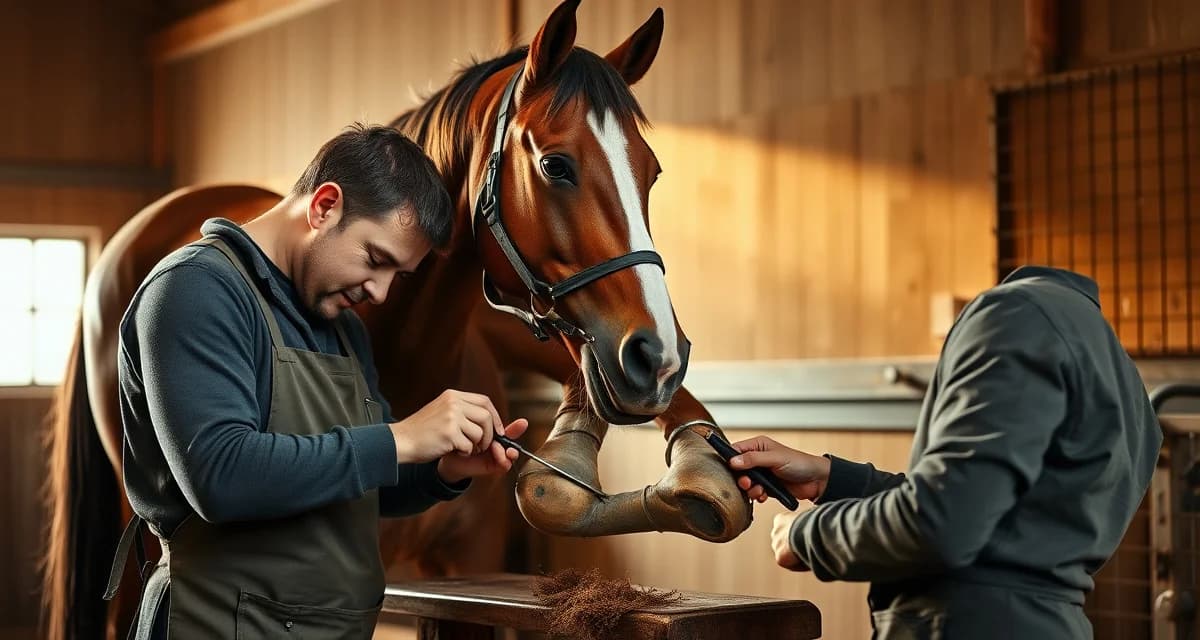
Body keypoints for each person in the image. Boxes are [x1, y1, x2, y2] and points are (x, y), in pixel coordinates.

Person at [109, 124, 527, 639]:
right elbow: (220, 477)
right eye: (376, 259)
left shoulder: (343, 326)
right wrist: (402, 437)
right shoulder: (195, 291)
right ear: (324, 206)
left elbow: (356, 484)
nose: (380, 292)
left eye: (399, 276)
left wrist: (440, 469)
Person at [729, 265, 1162, 639]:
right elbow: (992, 519)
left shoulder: (1014, 315)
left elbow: (944, 522)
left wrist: (807, 537)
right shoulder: (1120, 373)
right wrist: (830, 478)